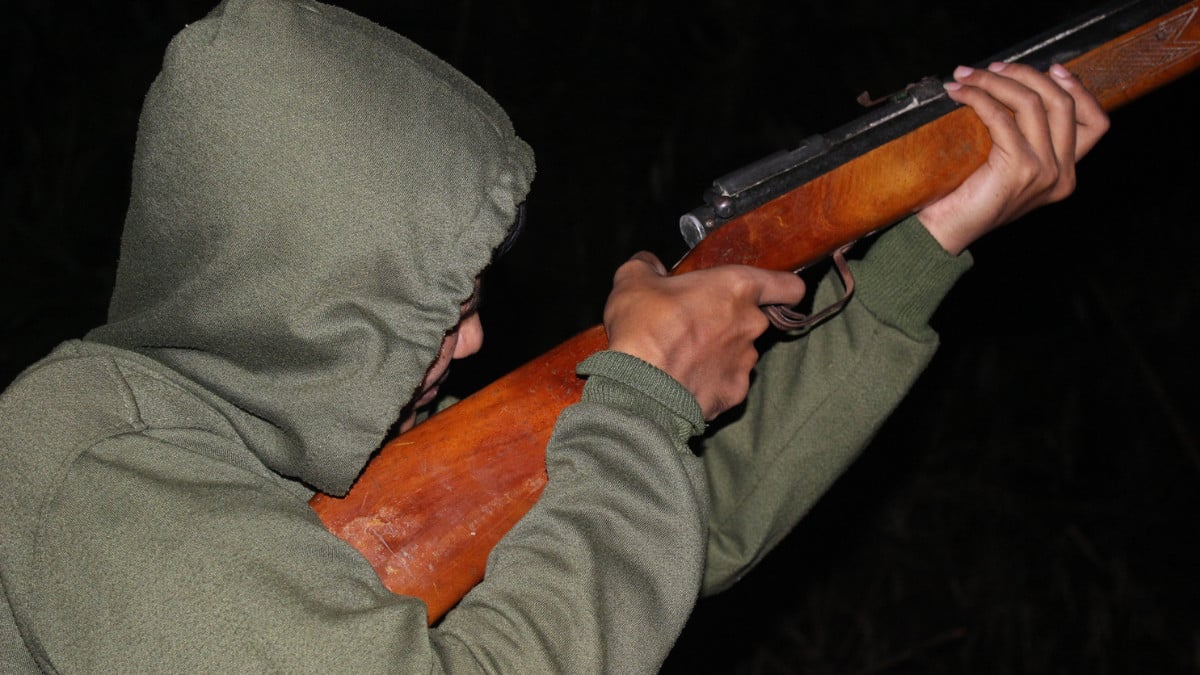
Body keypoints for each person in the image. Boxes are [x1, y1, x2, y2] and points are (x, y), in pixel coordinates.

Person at [0, 0, 1106, 671]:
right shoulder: (87, 464)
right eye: (433, 299)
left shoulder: (283, 441)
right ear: (298, 288)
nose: (475, 336)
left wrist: (926, 239)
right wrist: (635, 394)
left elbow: (653, 534)